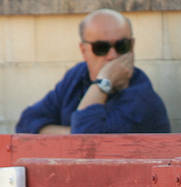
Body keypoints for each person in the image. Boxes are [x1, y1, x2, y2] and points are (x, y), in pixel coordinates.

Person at [15, 9, 169, 134]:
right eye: (101, 48)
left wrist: (103, 82)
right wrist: (70, 134)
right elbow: (26, 124)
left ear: (132, 46)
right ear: (83, 50)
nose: (112, 56)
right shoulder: (77, 76)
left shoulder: (142, 99)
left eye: (122, 46)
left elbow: (85, 143)